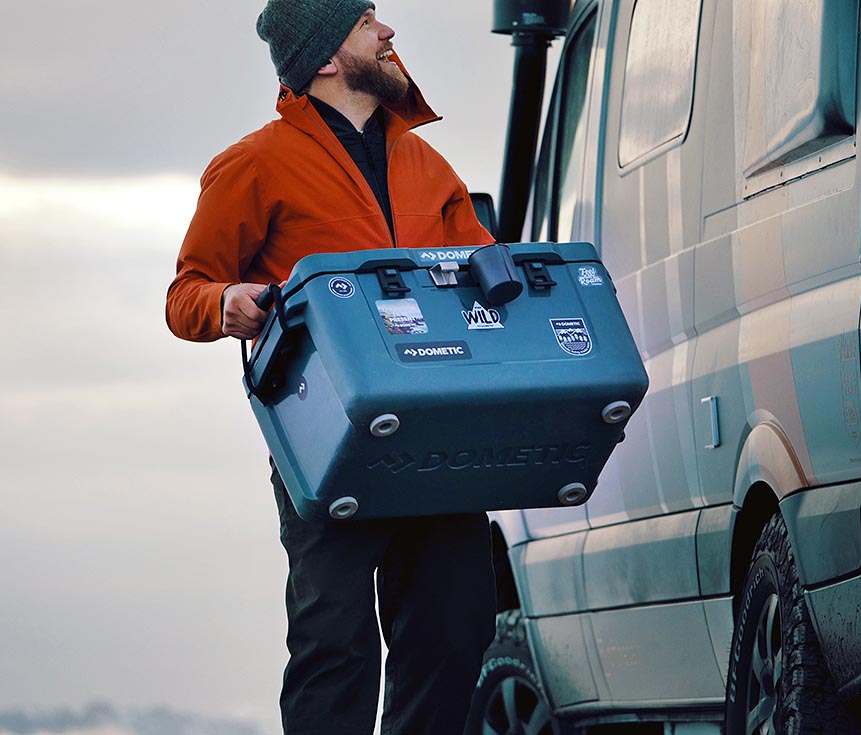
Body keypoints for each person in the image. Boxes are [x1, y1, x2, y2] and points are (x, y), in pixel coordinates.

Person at [166, 1, 497, 733]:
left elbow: (482, 266)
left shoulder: (426, 163)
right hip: (326, 441)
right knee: (335, 646)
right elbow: (185, 293)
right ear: (323, 58)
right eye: (365, 23)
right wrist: (226, 301)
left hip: (441, 433)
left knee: (455, 626)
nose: (388, 33)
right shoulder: (254, 163)